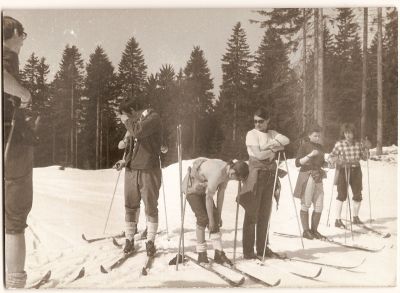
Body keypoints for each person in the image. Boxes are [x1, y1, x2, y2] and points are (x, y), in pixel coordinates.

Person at [3, 16, 35, 289]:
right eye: (22, 33)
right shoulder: (6, 57)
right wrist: (24, 94)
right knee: (14, 219)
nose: (24, 38)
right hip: (12, 148)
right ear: (10, 36)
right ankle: (14, 284)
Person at [239, 107, 290, 260]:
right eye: (255, 121)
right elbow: (259, 154)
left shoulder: (272, 133)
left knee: (265, 213)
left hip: (269, 175)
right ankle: (248, 251)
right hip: (256, 174)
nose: (257, 124)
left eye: (261, 121)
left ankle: (262, 248)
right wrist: (274, 149)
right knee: (251, 212)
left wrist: (269, 145)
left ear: (267, 121)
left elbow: (286, 141)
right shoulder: (251, 134)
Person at [114, 98, 162, 257]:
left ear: (134, 111)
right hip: (131, 170)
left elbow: (138, 131)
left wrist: (127, 120)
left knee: (150, 206)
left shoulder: (153, 118)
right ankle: (129, 239)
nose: (127, 120)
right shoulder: (135, 122)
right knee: (130, 206)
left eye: (128, 116)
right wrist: (124, 161)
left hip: (149, 169)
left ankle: (150, 241)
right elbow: (131, 145)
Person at [182, 158, 249, 265]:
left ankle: (218, 253)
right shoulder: (218, 173)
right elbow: (209, 197)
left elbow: (221, 194)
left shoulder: (227, 171)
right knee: (203, 218)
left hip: (204, 188)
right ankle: (201, 253)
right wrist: (212, 221)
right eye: (237, 179)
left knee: (214, 216)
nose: (235, 181)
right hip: (192, 188)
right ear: (233, 172)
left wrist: (218, 216)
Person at [328, 123, 371, 228]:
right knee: (342, 194)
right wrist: (338, 160)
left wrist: (366, 148)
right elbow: (330, 157)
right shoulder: (339, 144)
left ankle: (355, 217)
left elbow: (365, 158)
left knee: (357, 193)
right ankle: (337, 220)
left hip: (356, 170)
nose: (347, 135)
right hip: (344, 170)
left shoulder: (358, 144)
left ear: (353, 133)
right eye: (346, 133)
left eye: (350, 133)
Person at [293, 125, 327, 240]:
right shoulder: (304, 146)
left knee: (319, 204)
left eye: (319, 136)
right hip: (307, 176)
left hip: (318, 176)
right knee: (306, 203)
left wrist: (328, 163)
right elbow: (297, 163)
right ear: (309, 136)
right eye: (315, 136)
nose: (317, 138)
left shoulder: (321, 147)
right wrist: (310, 155)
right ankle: (306, 231)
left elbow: (322, 163)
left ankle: (314, 230)